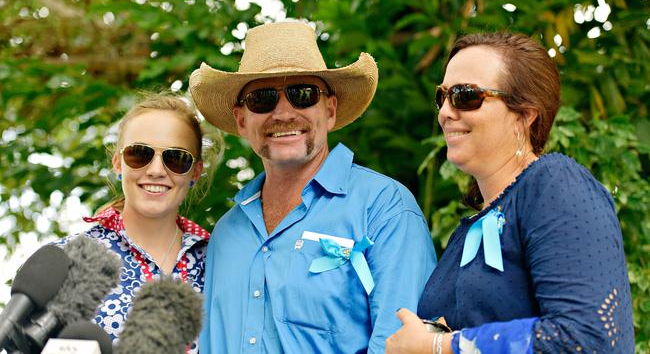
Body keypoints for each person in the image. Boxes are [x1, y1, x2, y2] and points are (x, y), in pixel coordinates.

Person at [189, 21, 437, 353]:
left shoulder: (384, 207)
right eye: (262, 99)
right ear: (241, 119)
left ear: (330, 110)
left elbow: (403, 346)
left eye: (302, 95)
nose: (284, 112)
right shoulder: (226, 233)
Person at [385, 32, 634, 353]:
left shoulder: (555, 183)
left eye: (465, 96)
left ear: (525, 116)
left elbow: (585, 339)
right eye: (441, 97)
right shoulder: (469, 232)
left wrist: (439, 344)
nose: (445, 112)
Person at [55, 94, 218, 353]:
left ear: (195, 171)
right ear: (118, 163)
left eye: (176, 158)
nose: (155, 170)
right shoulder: (64, 262)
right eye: (139, 154)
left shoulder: (221, 263)